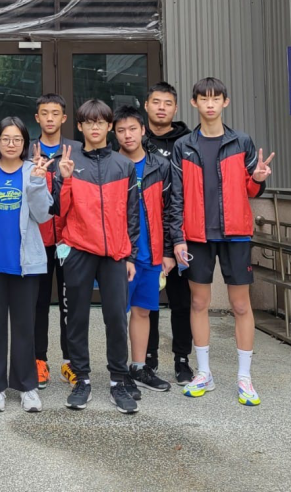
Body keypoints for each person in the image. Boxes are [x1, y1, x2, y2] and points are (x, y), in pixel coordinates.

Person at [169, 77, 275, 406]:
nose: (210, 104)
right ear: (194, 103)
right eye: (204, 98)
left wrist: (257, 179)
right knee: (198, 303)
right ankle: (204, 373)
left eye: (216, 98)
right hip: (196, 236)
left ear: (225, 102)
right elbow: (176, 196)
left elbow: (251, 189)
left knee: (241, 305)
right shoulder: (183, 145)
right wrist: (177, 238)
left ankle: (244, 377)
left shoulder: (241, 141)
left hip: (236, 234)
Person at [53, 98, 140, 415]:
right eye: (88, 122)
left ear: (109, 126)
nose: (94, 127)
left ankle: (118, 380)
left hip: (115, 253)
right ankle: (82, 379)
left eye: (100, 122)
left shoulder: (123, 165)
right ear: (79, 126)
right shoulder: (68, 162)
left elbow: (132, 215)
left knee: (116, 317)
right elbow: (58, 211)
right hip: (78, 249)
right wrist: (64, 179)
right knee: (76, 317)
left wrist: (130, 255)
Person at [0, 117, 53, 413]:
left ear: (25, 143)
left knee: (24, 328)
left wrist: (37, 183)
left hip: (25, 264)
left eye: (17, 139)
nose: (11, 144)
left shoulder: (33, 171)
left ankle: (27, 386)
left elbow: (43, 215)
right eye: (5, 138)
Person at [113, 105, 173, 398]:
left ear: (143, 131)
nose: (127, 135)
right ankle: (118, 373)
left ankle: (138, 367)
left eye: (132, 129)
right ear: (114, 133)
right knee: (117, 314)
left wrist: (169, 251)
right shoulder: (110, 165)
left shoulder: (159, 166)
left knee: (142, 311)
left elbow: (171, 208)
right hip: (120, 254)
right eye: (121, 130)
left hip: (152, 252)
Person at [142, 82, 193, 384]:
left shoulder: (188, 142)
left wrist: (176, 240)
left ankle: (182, 360)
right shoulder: (135, 139)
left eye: (168, 103)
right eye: (156, 102)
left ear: (176, 108)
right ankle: (148, 359)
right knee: (148, 301)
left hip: (183, 234)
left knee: (182, 301)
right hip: (146, 236)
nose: (161, 107)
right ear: (146, 105)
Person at [28, 93, 78, 390]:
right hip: (38, 239)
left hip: (70, 240)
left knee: (70, 305)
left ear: (64, 118)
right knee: (38, 304)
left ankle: (71, 362)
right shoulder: (27, 152)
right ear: (37, 118)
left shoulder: (76, 151)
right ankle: (38, 360)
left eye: (55, 113)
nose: (49, 118)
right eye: (44, 113)